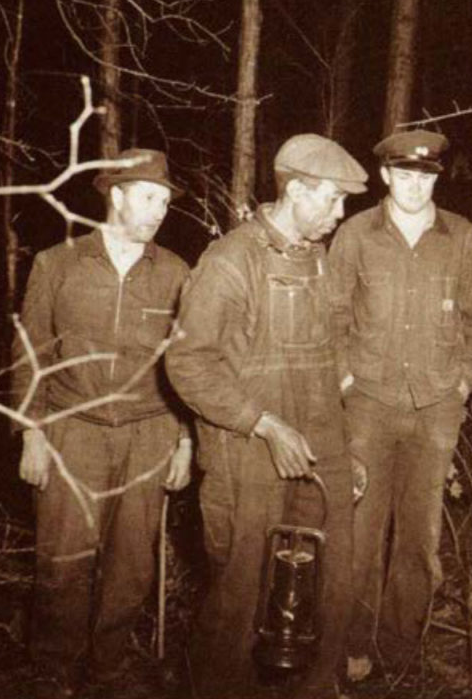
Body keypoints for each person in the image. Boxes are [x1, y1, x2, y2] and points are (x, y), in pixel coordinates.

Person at [164, 134, 368, 699]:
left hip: (318, 447)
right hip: (247, 453)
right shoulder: (230, 260)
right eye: (331, 199)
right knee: (241, 593)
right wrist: (262, 423)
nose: (339, 213)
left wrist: (344, 446)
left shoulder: (318, 261)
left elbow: (332, 361)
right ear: (296, 190)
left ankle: (317, 689)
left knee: (329, 584)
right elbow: (188, 363)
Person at [12, 149, 193, 698]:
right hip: (73, 430)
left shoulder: (178, 273)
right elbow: (29, 352)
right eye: (148, 197)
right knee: (62, 557)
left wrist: (185, 440)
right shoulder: (58, 263)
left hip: (149, 432)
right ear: (114, 195)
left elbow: (186, 361)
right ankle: (55, 665)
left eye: (164, 200)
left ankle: (109, 666)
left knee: (133, 565)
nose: (159, 210)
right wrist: (31, 432)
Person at [328, 129, 472, 678]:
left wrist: (463, 383)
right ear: (385, 176)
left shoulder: (461, 237)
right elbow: (330, 318)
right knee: (360, 533)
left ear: (435, 180)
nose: (415, 185)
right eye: (405, 175)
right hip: (368, 405)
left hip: (436, 408)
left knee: (420, 540)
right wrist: (346, 380)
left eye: (425, 177)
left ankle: (400, 652)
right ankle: (353, 645)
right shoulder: (355, 235)